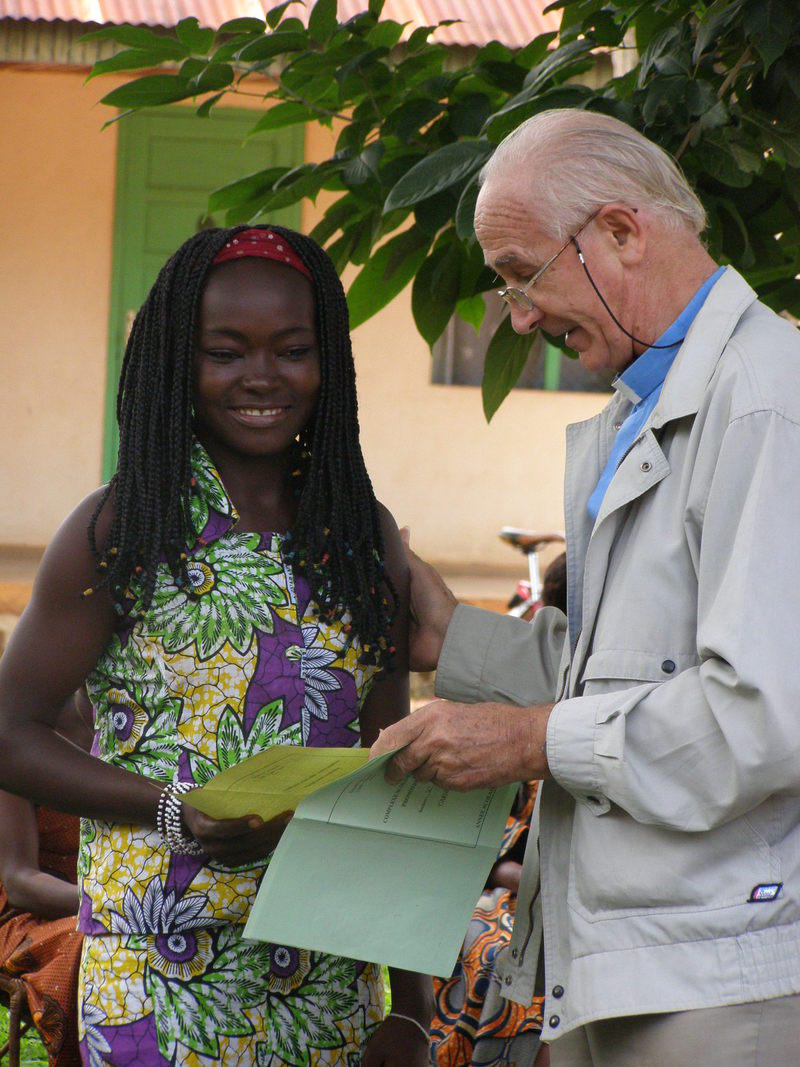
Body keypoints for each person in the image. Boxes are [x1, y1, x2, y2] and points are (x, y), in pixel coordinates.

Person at [372, 109, 800, 1066]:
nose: (519, 316)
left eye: (525, 275)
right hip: (631, 960)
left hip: (726, 978)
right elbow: (625, 673)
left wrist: (525, 740)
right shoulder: (646, 404)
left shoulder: (769, 400)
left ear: (619, 231)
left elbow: (762, 715)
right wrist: (449, 638)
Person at [0, 225, 432, 1065]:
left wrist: (409, 1008)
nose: (262, 377)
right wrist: (171, 807)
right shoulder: (122, 528)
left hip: (328, 973)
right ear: (176, 365)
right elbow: (9, 728)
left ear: (328, 365)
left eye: (293, 350)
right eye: (225, 352)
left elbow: (394, 777)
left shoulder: (362, 537)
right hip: (156, 976)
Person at [429, 555, 566, 1067]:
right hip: (513, 887)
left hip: (541, 900)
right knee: (467, 936)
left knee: (494, 952)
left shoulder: (549, 725)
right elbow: (502, 845)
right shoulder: (520, 711)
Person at [0, 693, 92, 1067]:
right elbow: (20, 881)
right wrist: (105, 899)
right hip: (23, 915)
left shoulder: (138, 728)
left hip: (111, 898)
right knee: (95, 944)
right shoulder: (18, 733)